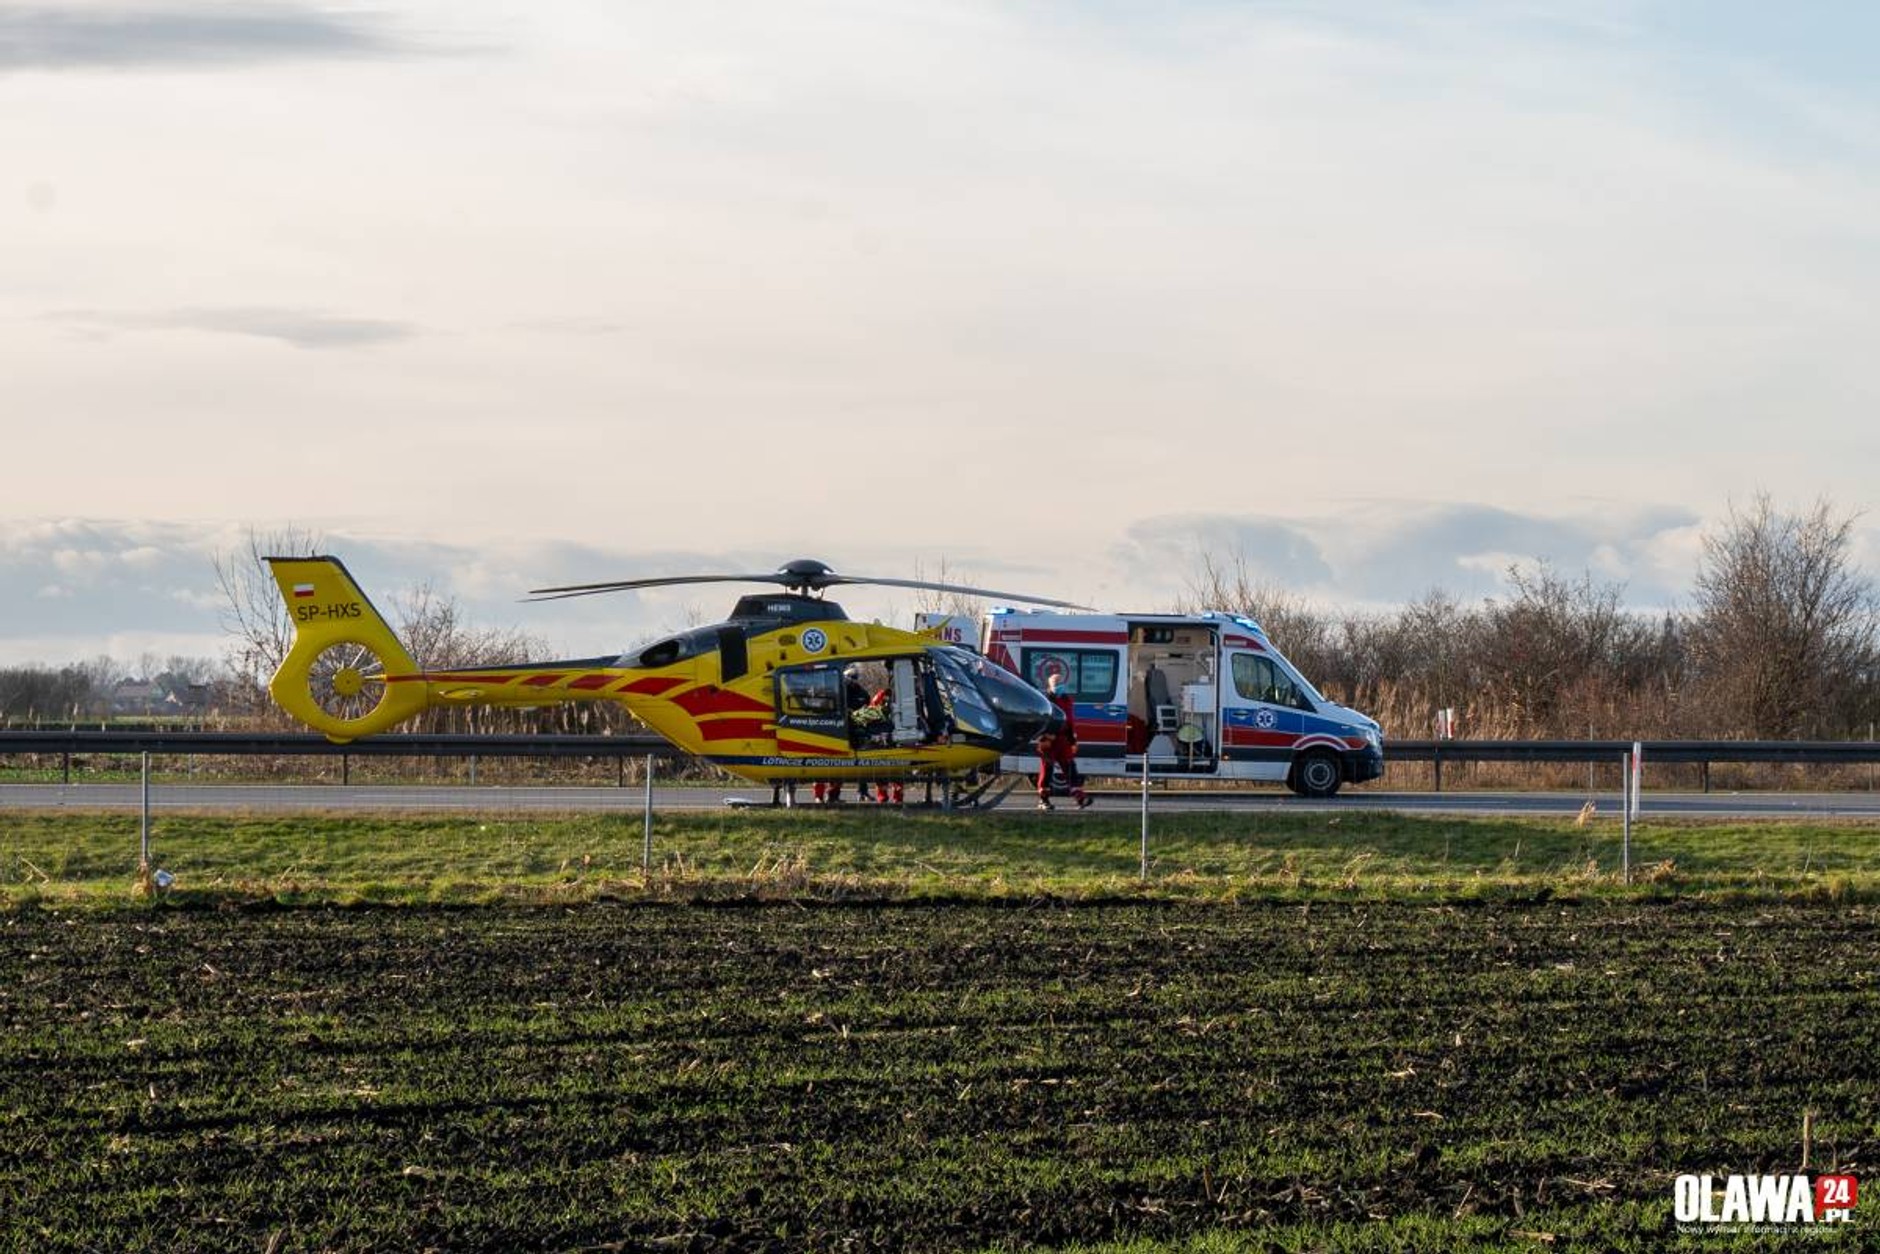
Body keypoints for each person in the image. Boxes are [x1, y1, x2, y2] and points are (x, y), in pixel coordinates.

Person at [1036, 673, 1091, 810]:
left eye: (1061, 683)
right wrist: (1044, 738)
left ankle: (1080, 797)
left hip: (1063, 739)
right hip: (1048, 740)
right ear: (1050, 685)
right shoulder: (1044, 700)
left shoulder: (1067, 700)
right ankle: (1044, 800)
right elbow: (1041, 720)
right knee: (1047, 770)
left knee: (1070, 768)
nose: (1059, 687)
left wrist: (1072, 741)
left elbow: (1070, 721)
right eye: (1056, 684)